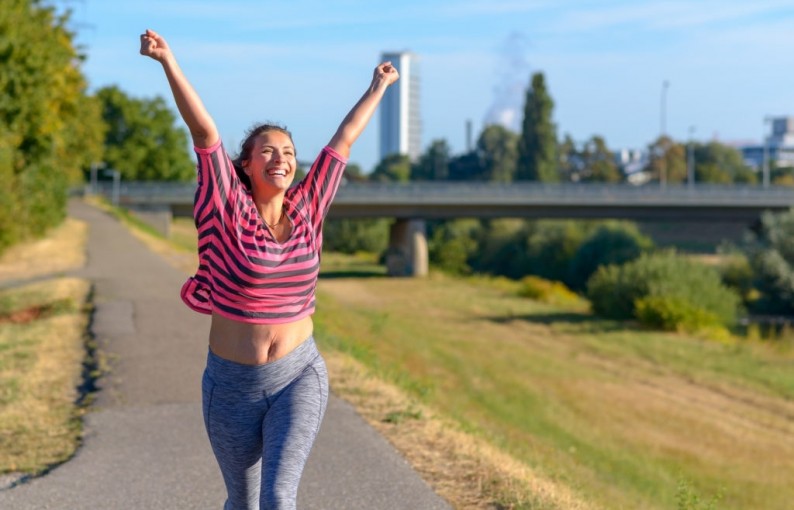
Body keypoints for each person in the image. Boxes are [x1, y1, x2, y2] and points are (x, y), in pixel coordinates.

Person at [139, 29, 398, 510]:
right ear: (246, 163)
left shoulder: (309, 206)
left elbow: (343, 141)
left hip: (299, 373)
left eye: (289, 153)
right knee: (244, 500)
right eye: (268, 151)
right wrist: (167, 61)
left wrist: (377, 87)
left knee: (280, 497)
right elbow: (205, 135)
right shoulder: (224, 206)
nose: (281, 159)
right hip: (232, 383)